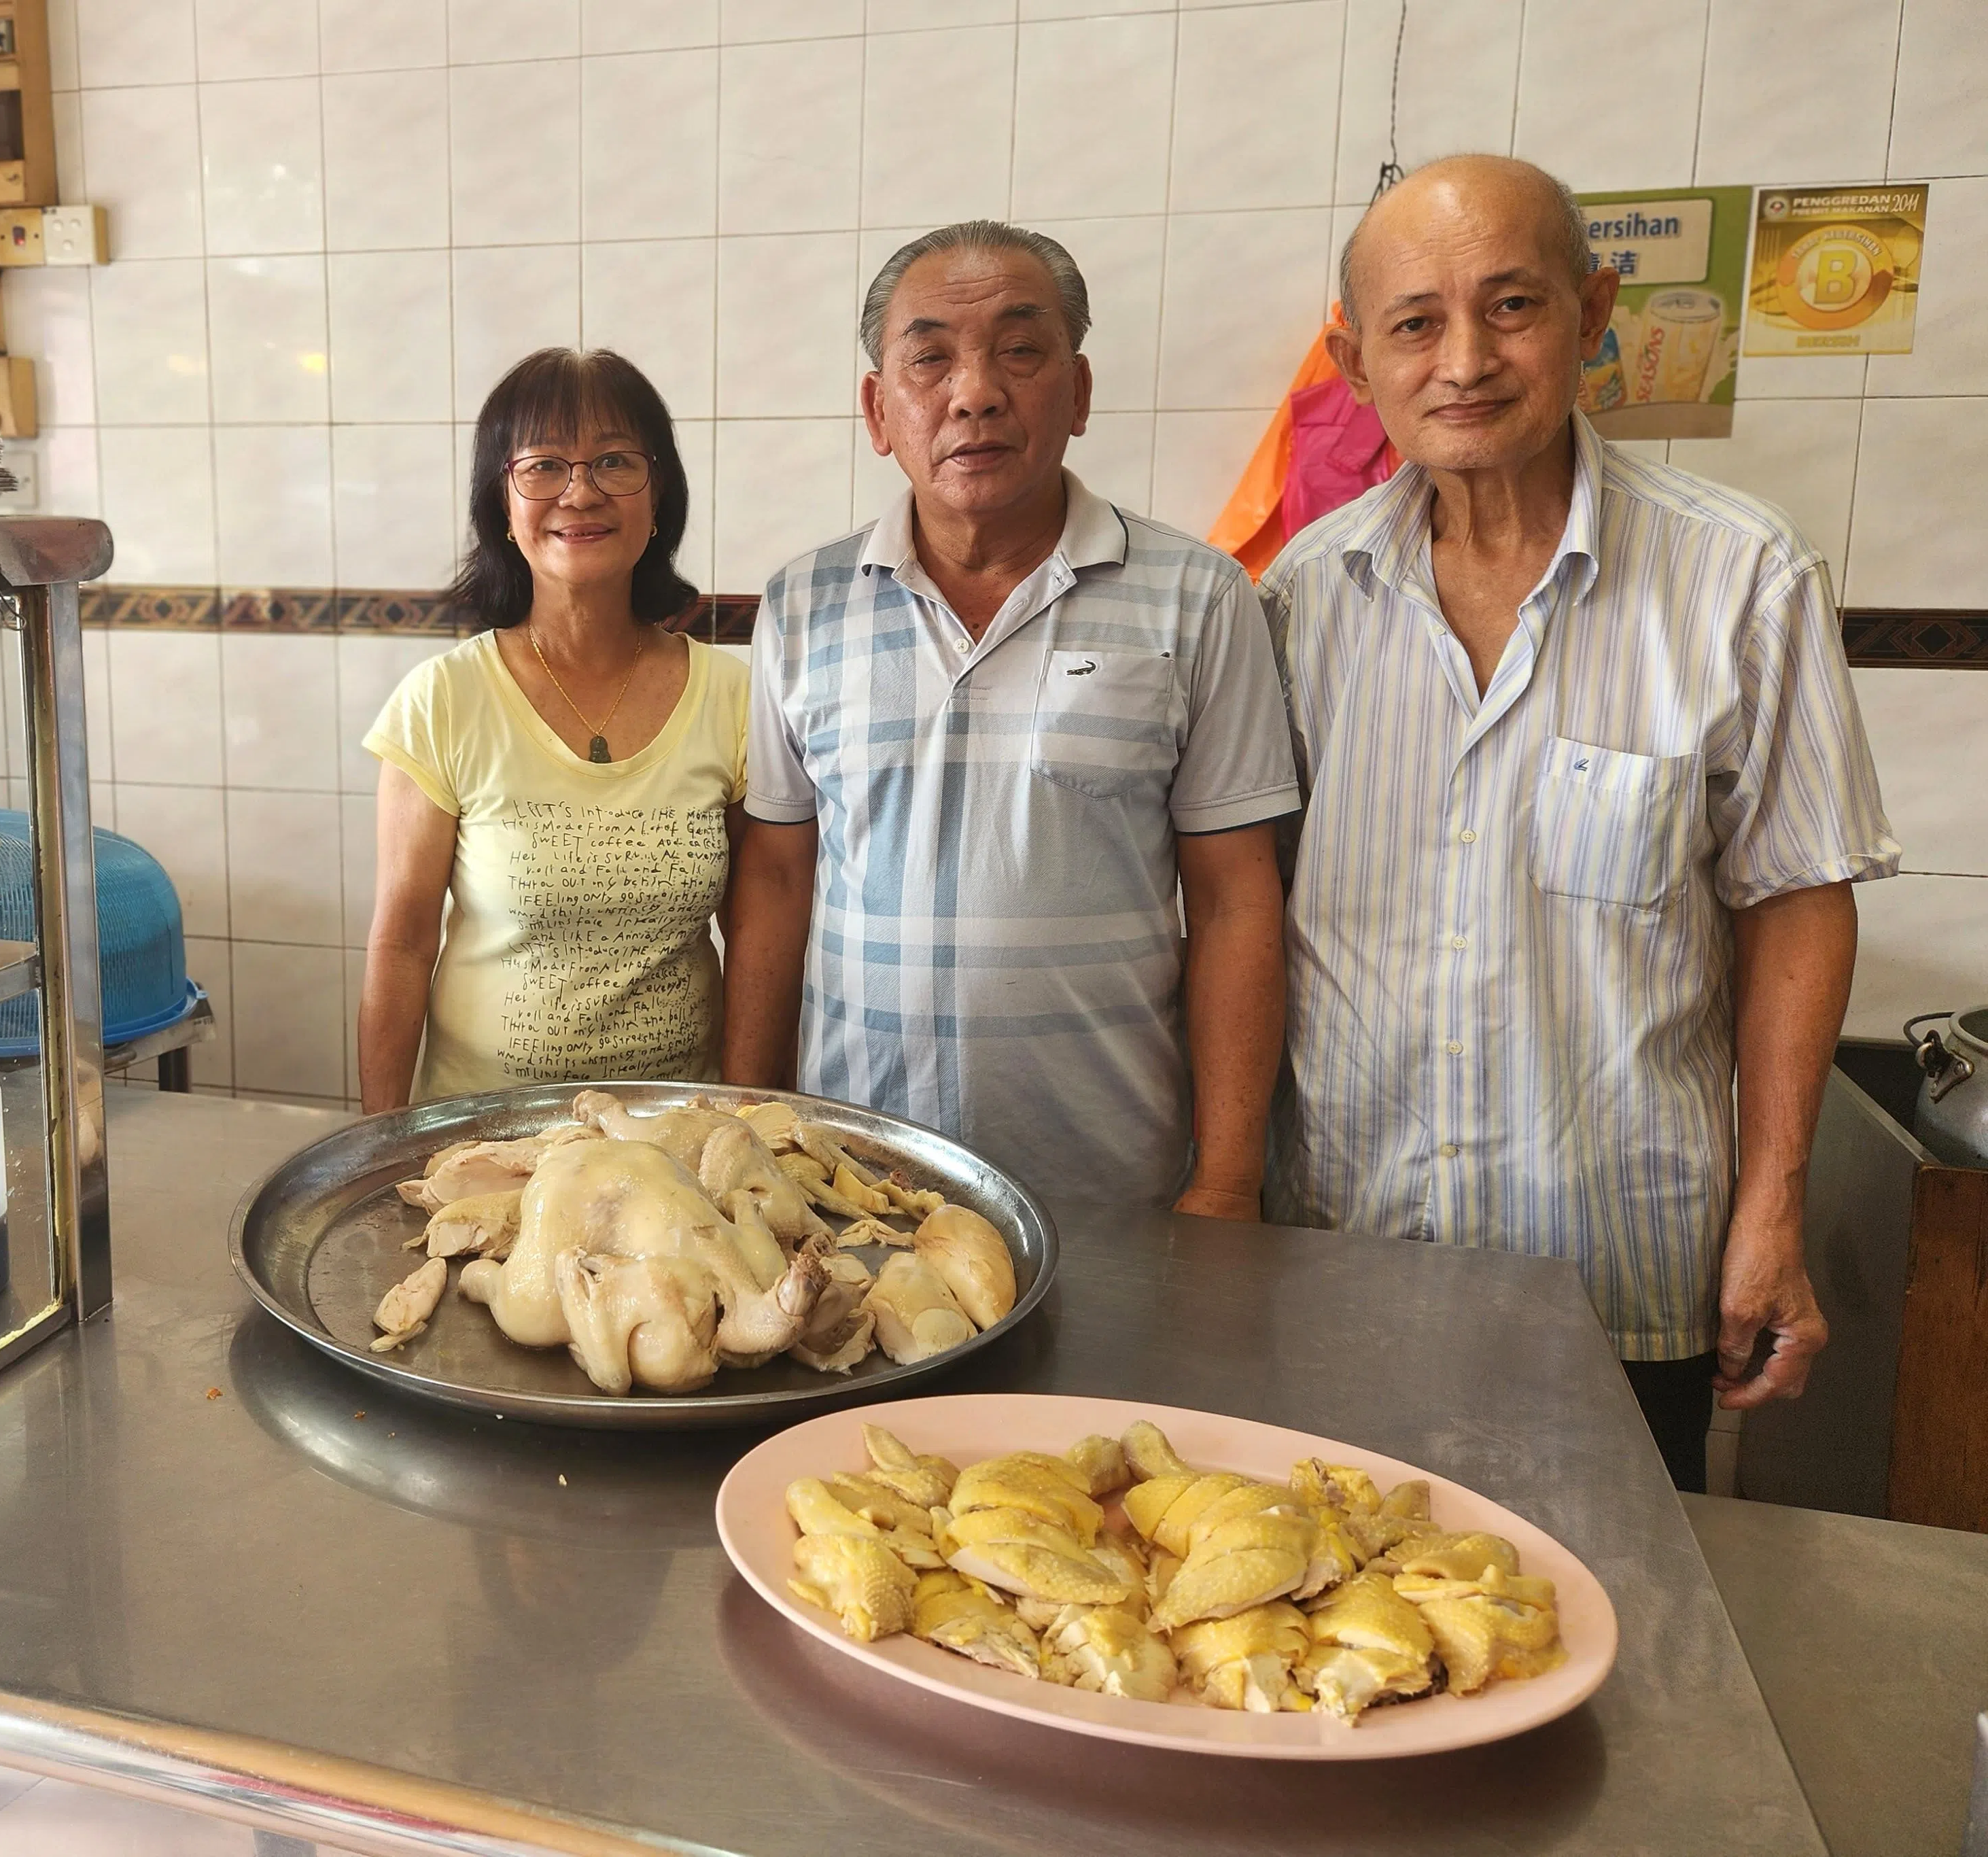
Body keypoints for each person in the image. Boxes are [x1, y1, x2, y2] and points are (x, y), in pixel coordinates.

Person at [1262, 155, 1899, 1491]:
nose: (1464, 361)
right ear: (1355, 360)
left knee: (1616, 1612)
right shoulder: (1301, 599)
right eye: (1415, 323)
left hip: (1614, 1275)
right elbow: (1242, 910)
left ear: (1592, 312)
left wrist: (1773, 1206)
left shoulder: (1737, 576)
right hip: (1341, 1255)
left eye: (1512, 306)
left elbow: (1796, 899)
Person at [722, 222, 1299, 1215]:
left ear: (1078, 392)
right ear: (878, 410)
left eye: (1020, 351)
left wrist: (1227, 1179)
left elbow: (1235, 900)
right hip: (852, 1182)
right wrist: (746, 1125)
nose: (975, 392)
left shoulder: (1197, 598)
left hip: (1112, 1187)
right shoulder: (804, 604)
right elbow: (777, 877)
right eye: (930, 359)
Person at [357, 347, 748, 1110]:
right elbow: (401, 945)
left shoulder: (732, 697)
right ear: (501, 504)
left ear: (660, 494)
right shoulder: (443, 699)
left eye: (614, 461)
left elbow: (761, 940)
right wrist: (379, 1140)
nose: (581, 492)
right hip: (486, 1131)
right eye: (542, 466)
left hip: (674, 1130)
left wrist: (748, 1111)